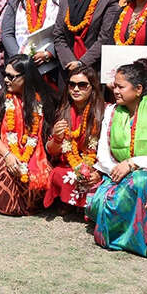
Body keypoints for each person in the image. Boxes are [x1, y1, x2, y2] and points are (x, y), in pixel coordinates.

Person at [88, 62, 147, 255]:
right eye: (115, 85)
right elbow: (103, 152)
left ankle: (133, 240)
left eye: (121, 86)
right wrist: (116, 168)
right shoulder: (111, 111)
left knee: (138, 181)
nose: (115, 90)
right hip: (114, 173)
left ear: (138, 89)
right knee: (98, 203)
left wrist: (132, 163)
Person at [0, 55, 57, 216]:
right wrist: (8, 155)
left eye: (11, 76)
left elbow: (48, 136)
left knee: (38, 179)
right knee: (6, 174)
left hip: (35, 153)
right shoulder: (0, 97)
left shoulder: (43, 100)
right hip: (4, 151)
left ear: (26, 78)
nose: (5, 80)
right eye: (5, 75)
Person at [44, 66, 104, 210]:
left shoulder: (104, 112)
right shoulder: (62, 112)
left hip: (94, 167)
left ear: (93, 87)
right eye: (72, 84)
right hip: (68, 165)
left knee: (94, 180)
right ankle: (71, 203)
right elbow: (51, 151)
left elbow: (109, 149)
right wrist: (57, 139)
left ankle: (79, 205)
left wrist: (99, 172)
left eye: (82, 85)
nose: (76, 89)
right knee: (59, 174)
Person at [53, 0, 120, 75]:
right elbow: (58, 35)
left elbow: (105, 37)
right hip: (67, 68)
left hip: (94, 67)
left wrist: (82, 63)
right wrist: (70, 62)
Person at [2, 0, 64, 76]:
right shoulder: (15, 2)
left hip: (53, 67)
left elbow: (65, 32)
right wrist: (20, 59)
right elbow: (7, 33)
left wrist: (49, 53)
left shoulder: (62, 0)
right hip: (20, 67)